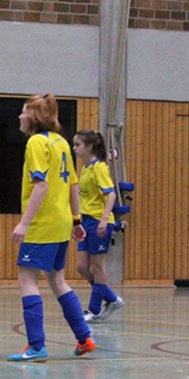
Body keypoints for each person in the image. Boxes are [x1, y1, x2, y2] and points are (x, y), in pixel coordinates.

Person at [7, 94, 96, 362]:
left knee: (28, 280)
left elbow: (41, 185)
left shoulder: (36, 142)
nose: (20, 116)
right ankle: (84, 338)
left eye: (24, 112)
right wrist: (76, 220)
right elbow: (72, 185)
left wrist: (24, 223)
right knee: (57, 280)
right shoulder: (61, 142)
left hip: (42, 223)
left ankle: (36, 346)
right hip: (61, 221)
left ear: (34, 117)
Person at [73, 129, 124, 323]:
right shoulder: (85, 168)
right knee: (82, 267)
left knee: (97, 266)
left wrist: (104, 220)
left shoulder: (99, 167)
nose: (74, 148)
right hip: (85, 221)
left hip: (98, 221)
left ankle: (94, 311)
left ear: (89, 147)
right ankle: (112, 299)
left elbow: (110, 194)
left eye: (78, 145)